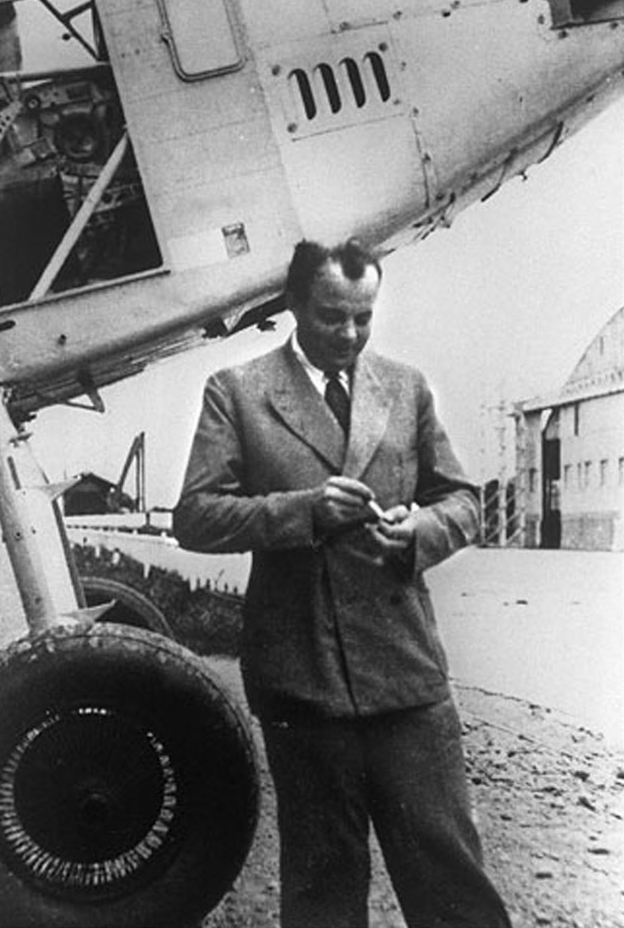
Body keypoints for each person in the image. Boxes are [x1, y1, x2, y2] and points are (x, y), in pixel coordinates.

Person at [173, 238, 511, 928]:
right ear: (294, 304)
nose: (350, 334)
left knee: (450, 879)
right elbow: (196, 517)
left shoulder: (406, 386)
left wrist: (419, 534)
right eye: (333, 316)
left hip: (407, 677)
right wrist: (303, 511)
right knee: (323, 886)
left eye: (364, 317)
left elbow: (465, 502)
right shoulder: (237, 391)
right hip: (304, 683)